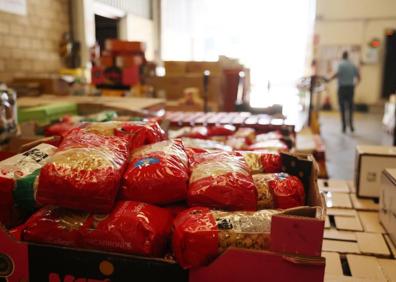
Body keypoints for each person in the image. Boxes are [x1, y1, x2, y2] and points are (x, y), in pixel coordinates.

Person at [328, 51, 361, 133]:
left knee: (342, 108)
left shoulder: (341, 64)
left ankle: (344, 127)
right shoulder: (352, 65)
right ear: (348, 56)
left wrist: (329, 79)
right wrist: (355, 85)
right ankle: (351, 125)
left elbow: (336, 74)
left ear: (342, 56)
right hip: (350, 88)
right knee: (350, 108)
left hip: (342, 88)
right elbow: (359, 77)